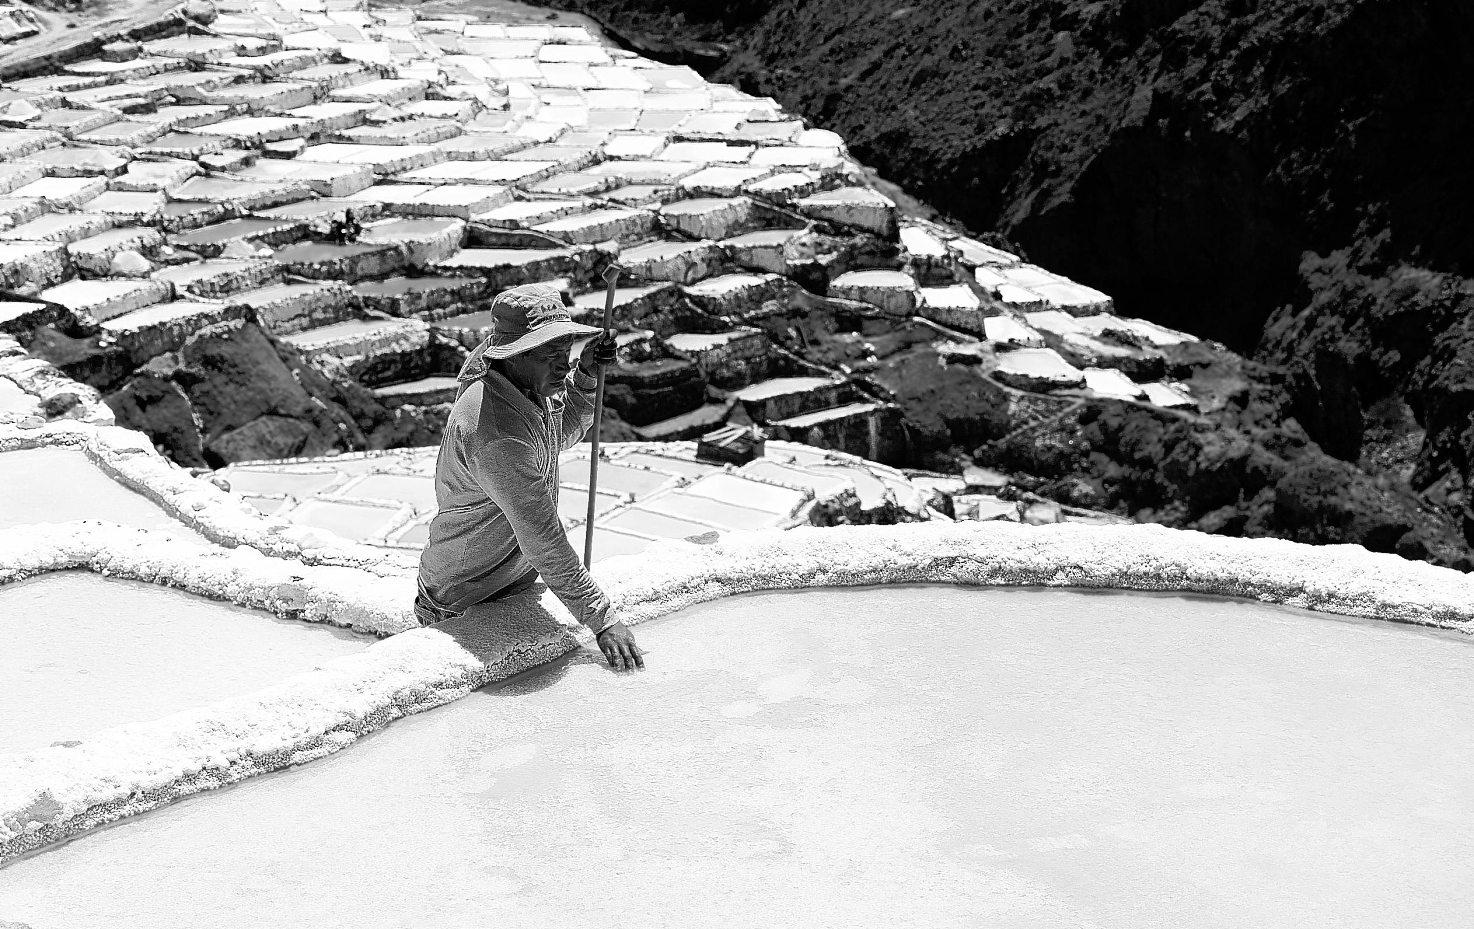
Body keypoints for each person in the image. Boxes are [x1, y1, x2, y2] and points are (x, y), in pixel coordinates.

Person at [415, 282, 645, 672]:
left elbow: (559, 432)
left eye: (565, 351)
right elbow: (542, 536)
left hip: (507, 583)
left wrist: (586, 375)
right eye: (549, 354)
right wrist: (601, 618)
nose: (563, 364)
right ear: (516, 354)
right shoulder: (496, 431)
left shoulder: (523, 387)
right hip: (465, 598)